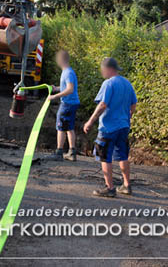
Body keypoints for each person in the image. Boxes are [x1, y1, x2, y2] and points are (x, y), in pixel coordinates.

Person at [83, 57, 137, 197]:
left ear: (109, 69)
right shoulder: (127, 83)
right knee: (122, 156)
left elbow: (102, 105)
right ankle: (126, 185)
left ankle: (110, 188)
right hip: (123, 126)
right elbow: (133, 104)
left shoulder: (108, 83)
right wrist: (127, 116)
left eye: (103, 69)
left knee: (104, 157)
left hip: (108, 127)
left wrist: (90, 121)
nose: (102, 72)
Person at [46, 50, 81, 161]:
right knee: (69, 127)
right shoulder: (67, 72)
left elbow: (70, 89)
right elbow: (67, 87)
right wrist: (56, 88)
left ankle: (59, 152)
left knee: (61, 127)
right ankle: (72, 152)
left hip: (67, 104)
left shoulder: (68, 73)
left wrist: (54, 97)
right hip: (72, 103)